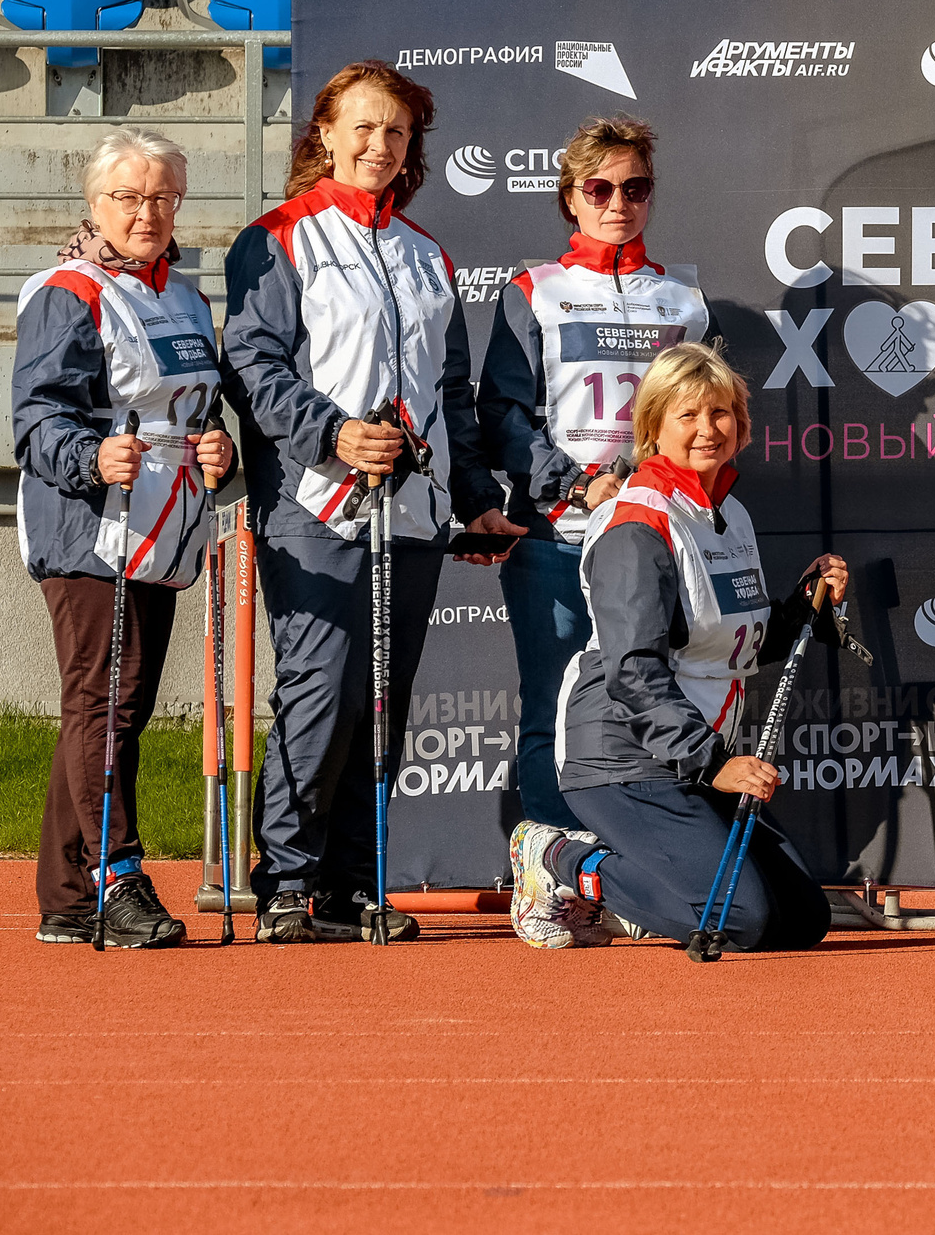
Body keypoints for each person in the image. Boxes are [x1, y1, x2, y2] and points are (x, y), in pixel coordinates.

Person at [223, 59, 521, 944]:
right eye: (361, 126)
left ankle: (353, 884)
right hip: (314, 507)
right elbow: (253, 364)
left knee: (380, 702)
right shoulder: (276, 237)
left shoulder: (426, 252)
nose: (378, 145)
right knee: (320, 693)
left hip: (415, 516)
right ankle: (285, 879)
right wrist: (331, 434)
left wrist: (473, 498)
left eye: (395, 132)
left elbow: (451, 394)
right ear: (323, 134)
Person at [505, 342, 849, 953]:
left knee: (800, 918)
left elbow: (732, 638)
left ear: (740, 424)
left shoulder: (727, 514)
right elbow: (634, 673)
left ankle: (663, 893)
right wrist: (715, 765)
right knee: (739, 920)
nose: (706, 430)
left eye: (719, 413)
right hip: (622, 757)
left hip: (689, 758)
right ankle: (559, 858)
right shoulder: (638, 524)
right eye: (686, 416)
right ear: (652, 427)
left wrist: (806, 604)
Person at [13, 127, 234, 947]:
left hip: (164, 527)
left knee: (111, 706)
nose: (147, 213)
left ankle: (65, 897)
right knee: (105, 702)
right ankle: (117, 875)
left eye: (162, 197)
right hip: (88, 530)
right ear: (94, 204)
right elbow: (36, 420)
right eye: (129, 197)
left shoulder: (186, 294)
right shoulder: (66, 290)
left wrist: (220, 448)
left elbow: (198, 408)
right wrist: (90, 453)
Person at [478, 115, 709, 832]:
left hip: (653, 540)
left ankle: (641, 865)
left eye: (635, 188)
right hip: (560, 536)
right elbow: (503, 416)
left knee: (654, 702)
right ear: (570, 197)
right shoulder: (534, 291)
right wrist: (573, 484)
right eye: (600, 187)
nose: (618, 203)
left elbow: (707, 424)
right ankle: (555, 870)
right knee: (552, 709)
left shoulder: (685, 299)